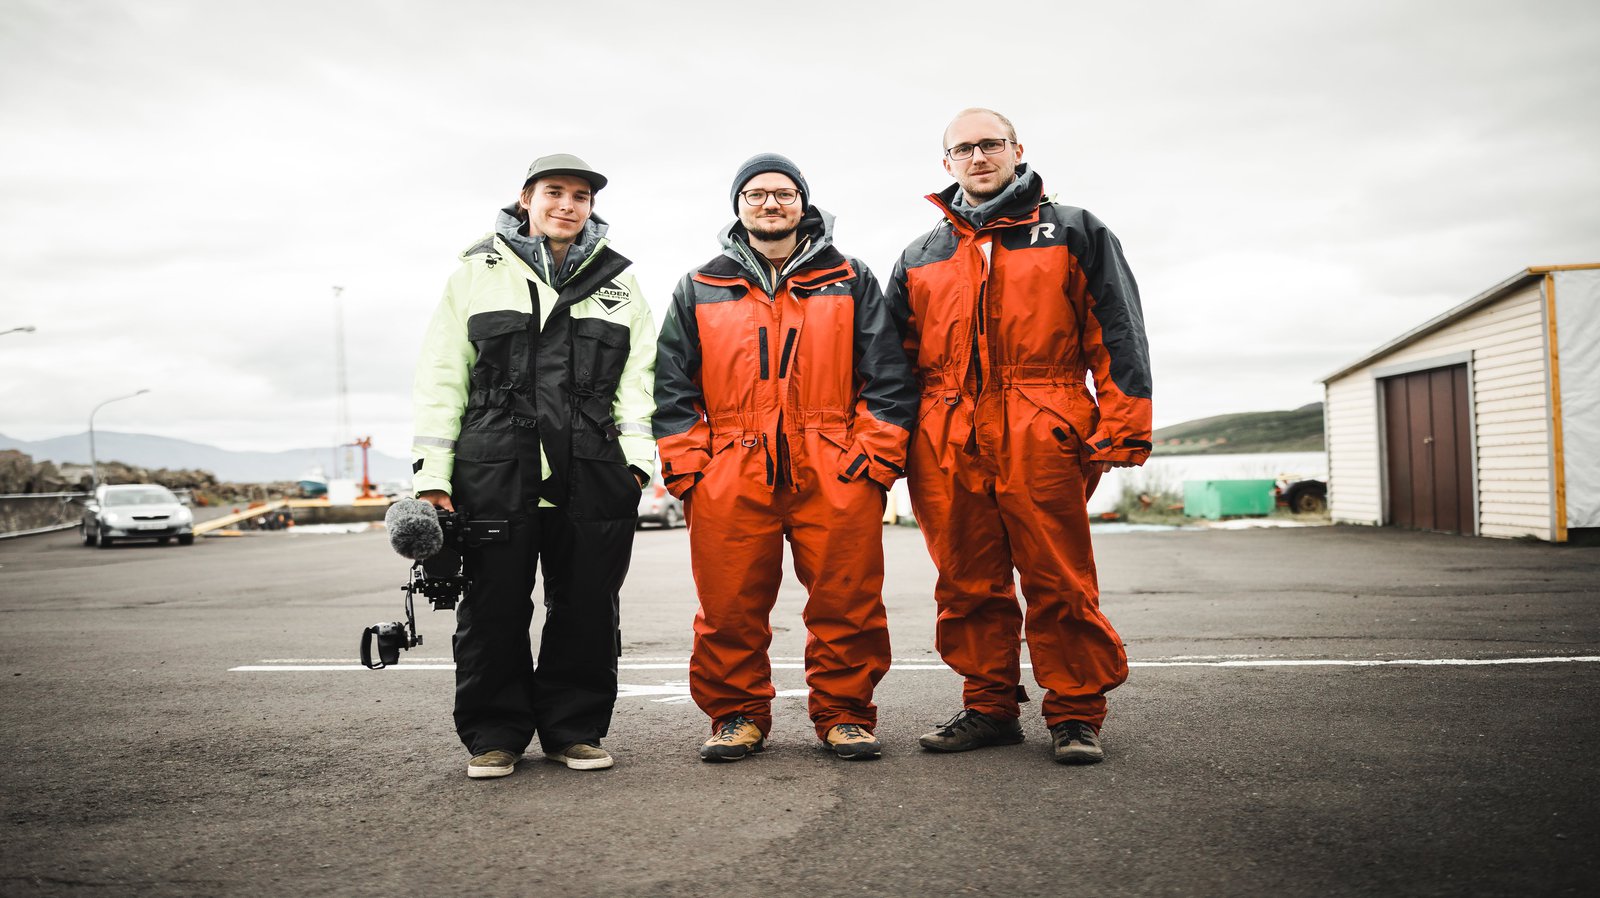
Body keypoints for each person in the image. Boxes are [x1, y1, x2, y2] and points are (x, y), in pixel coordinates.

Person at [885, 109, 1152, 764]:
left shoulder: (1075, 231)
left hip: (1044, 420)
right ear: (946, 163)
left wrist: (1123, 422)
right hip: (945, 432)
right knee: (967, 579)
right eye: (963, 148)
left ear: (1016, 150)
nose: (978, 156)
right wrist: (888, 445)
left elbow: (1117, 328)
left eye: (990, 144)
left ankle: (1075, 713)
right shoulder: (922, 254)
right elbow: (890, 363)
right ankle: (988, 706)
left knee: (1058, 575)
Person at [655, 153, 916, 762]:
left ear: (804, 203)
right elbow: (671, 387)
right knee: (728, 604)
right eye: (756, 194)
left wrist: (874, 462)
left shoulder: (849, 277)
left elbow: (889, 377)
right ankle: (737, 715)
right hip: (730, 464)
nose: (770, 204)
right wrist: (693, 468)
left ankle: (845, 714)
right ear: (738, 207)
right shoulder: (701, 284)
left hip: (834, 462)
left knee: (847, 599)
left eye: (783, 193)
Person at [410, 154, 656, 779]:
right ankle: (495, 735)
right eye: (554, 192)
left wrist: (635, 467)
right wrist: (433, 478)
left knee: (587, 608)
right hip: (492, 467)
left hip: (595, 470)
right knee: (492, 607)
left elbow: (640, 382)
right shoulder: (475, 273)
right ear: (527, 198)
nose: (567, 205)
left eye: (580, 196)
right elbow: (442, 375)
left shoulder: (619, 282)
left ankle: (574, 731)